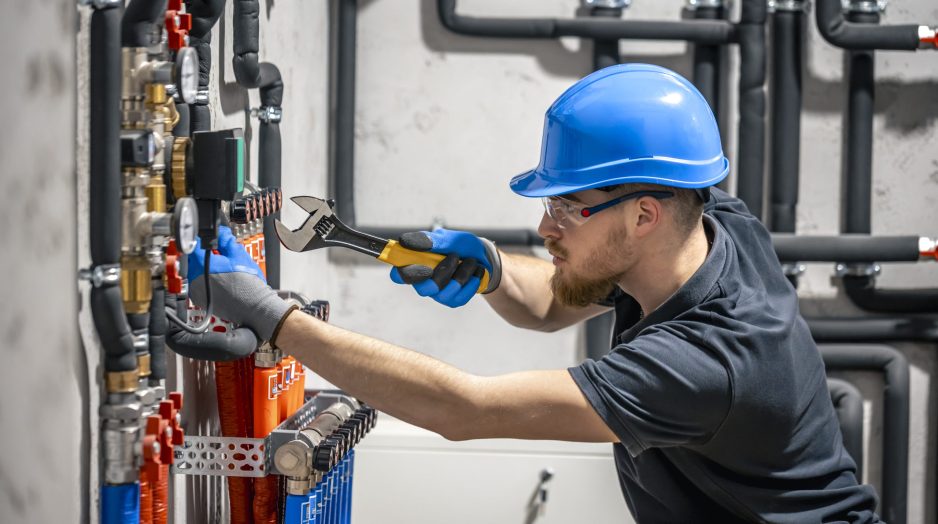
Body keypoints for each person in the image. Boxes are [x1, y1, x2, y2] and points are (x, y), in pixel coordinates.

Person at [188, 64, 880, 522]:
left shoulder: (706, 363)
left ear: (645, 215)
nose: (544, 226)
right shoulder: (713, 223)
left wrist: (274, 319)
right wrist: (490, 267)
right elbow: (553, 301)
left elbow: (465, 410)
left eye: (568, 206)